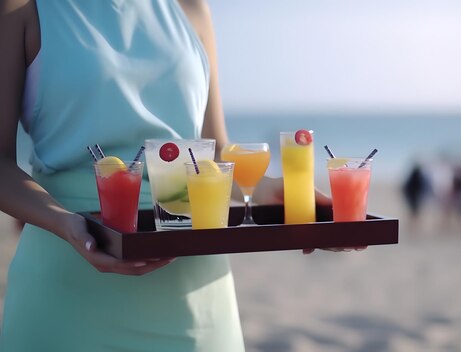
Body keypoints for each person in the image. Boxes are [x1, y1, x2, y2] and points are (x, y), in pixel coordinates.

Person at [0, 1, 359, 350]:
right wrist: (64, 223)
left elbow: (213, 152)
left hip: (193, 292)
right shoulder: (22, 7)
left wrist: (271, 191)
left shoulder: (191, 8)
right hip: (66, 280)